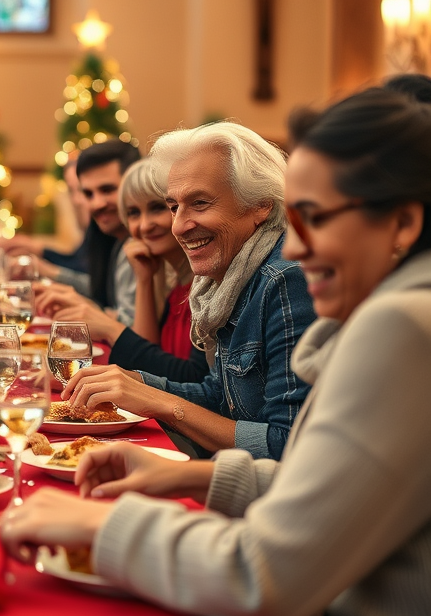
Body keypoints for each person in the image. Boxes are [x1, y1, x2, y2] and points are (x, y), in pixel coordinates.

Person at [0, 87, 431, 616]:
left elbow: (265, 574)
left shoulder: (401, 327)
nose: (296, 250)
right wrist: (187, 476)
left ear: (402, 224)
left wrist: (99, 526)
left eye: (316, 218)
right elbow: (323, 483)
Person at [62, 122, 315, 460]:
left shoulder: (283, 280)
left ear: (260, 205)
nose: (178, 225)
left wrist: (162, 403)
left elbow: (287, 445)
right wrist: (135, 381)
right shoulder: (227, 277)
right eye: (173, 206)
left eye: (200, 203)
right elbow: (220, 395)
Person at [39, 159, 207, 383]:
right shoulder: (170, 280)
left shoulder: (205, 284)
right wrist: (145, 279)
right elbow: (147, 360)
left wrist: (111, 329)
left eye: (158, 208)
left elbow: (192, 381)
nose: (144, 225)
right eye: (133, 213)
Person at [35, 139, 140, 326]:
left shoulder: (146, 242)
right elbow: (100, 292)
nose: (96, 204)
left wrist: (85, 306)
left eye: (107, 190)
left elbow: (135, 329)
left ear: (135, 184)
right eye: (88, 194)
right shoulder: (113, 237)